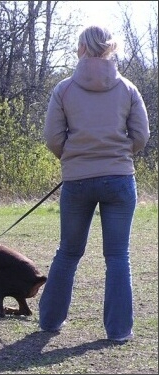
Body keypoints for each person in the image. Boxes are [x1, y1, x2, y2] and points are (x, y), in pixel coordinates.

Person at [38, 25, 150, 341]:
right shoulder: (128, 88)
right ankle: (118, 331)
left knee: (68, 253)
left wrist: (74, 158)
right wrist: (118, 155)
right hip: (119, 180)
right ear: (109, 48)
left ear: (81, 48)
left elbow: (52, 138)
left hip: (77, 182)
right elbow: (141, 136)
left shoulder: (64, 89)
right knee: (117, 256)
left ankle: (49, 322)